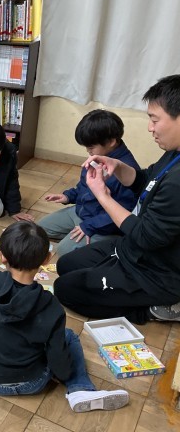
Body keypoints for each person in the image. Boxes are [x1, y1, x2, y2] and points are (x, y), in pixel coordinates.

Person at [0, 221, 130, 412]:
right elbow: (59, 363)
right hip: (33, 383)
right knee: (68, 335)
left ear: (1, 256)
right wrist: (62, 374)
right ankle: (79, 388)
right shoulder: (51, 306)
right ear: (47, 259)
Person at [55, 75, 180, 323]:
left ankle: (155, 310)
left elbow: (145, 235)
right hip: (132, 249)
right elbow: (146, 179)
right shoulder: (173, 154)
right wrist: (118, 166)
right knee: (65, 265)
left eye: (155, 120)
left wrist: (102, 195)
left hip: (156, 272)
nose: (150, 128)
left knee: (65, 290)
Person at [38, 110, 140, 256]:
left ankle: (110, 242)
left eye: (91, 147)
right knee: (39, 230)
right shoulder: (98, 156)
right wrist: (68, 196)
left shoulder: (127, 171)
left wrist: (89, 226)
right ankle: (78, 237)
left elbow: (123, 213)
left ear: (111, 142)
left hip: (103, 225)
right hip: (82, 211)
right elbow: (84, 187)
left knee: (63, 251)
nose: (88, 151)